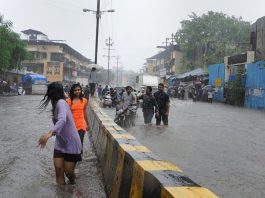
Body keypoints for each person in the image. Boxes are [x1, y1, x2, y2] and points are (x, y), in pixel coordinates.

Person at [38, 82, 82, 185]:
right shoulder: (56, 103)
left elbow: (62, 120)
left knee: (68, 173)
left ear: (53, 92)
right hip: (60, 142)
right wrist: (51, 134)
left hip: (71, 143)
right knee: (58, 171)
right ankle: (61, 193)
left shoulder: (61, 102)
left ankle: (72, 183)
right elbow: (59, 124)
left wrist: (49, 134)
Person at [66, 84, 89, 152]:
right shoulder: (68, 101)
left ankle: (78, 159)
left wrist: (87, 124)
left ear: (81, 91)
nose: (77, 91)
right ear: (72, 91)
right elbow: (66, 115)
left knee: (79, 143)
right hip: (71, 126)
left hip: (81, 126)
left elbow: (84, 112)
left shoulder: (84, 101)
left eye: (79, 90)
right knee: (71, 144)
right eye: (75, 90)